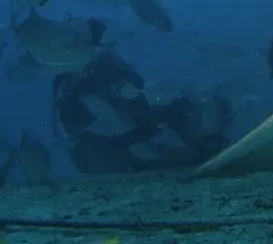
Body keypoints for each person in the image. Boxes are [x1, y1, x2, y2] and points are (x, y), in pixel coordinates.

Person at [52, 45, 229, 174]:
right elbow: (68, 133)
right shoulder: (67, 86)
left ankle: (205, 138)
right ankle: (192, 154)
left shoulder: (110, 66)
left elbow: (145, 99)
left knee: (172, 106)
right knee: (105, 157)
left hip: (135, 127)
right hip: (103, 147)